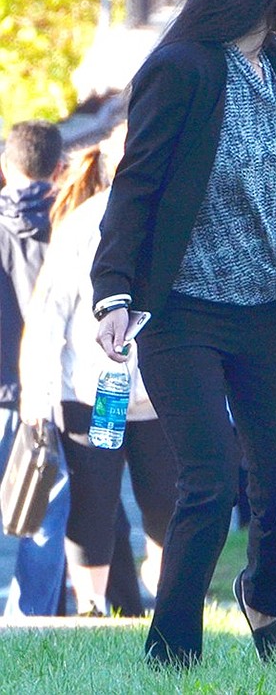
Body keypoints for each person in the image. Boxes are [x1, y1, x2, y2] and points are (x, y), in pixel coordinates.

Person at [90, 0, 276, 668]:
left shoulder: (273, 63)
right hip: (183, 312)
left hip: (269, 309)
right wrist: (113, 293)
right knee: (207, 481)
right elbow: (134, 191)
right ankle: (171, 653)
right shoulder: (181, 70)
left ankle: (266, 600)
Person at [20, 130, 177, 619]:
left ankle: (169, 599)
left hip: (155, 394)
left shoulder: (177, 220)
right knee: (95, 503)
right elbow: (50, 315)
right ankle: (92, 608)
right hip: (92, 393)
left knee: (165, 503)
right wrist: (38, 394)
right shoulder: (85, 225)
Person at [0, 119, 67, 617]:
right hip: (46, 389)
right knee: (43, 507)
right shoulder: (70, 227)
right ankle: (30, 619)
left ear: (6, 168)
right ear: (59, 168)